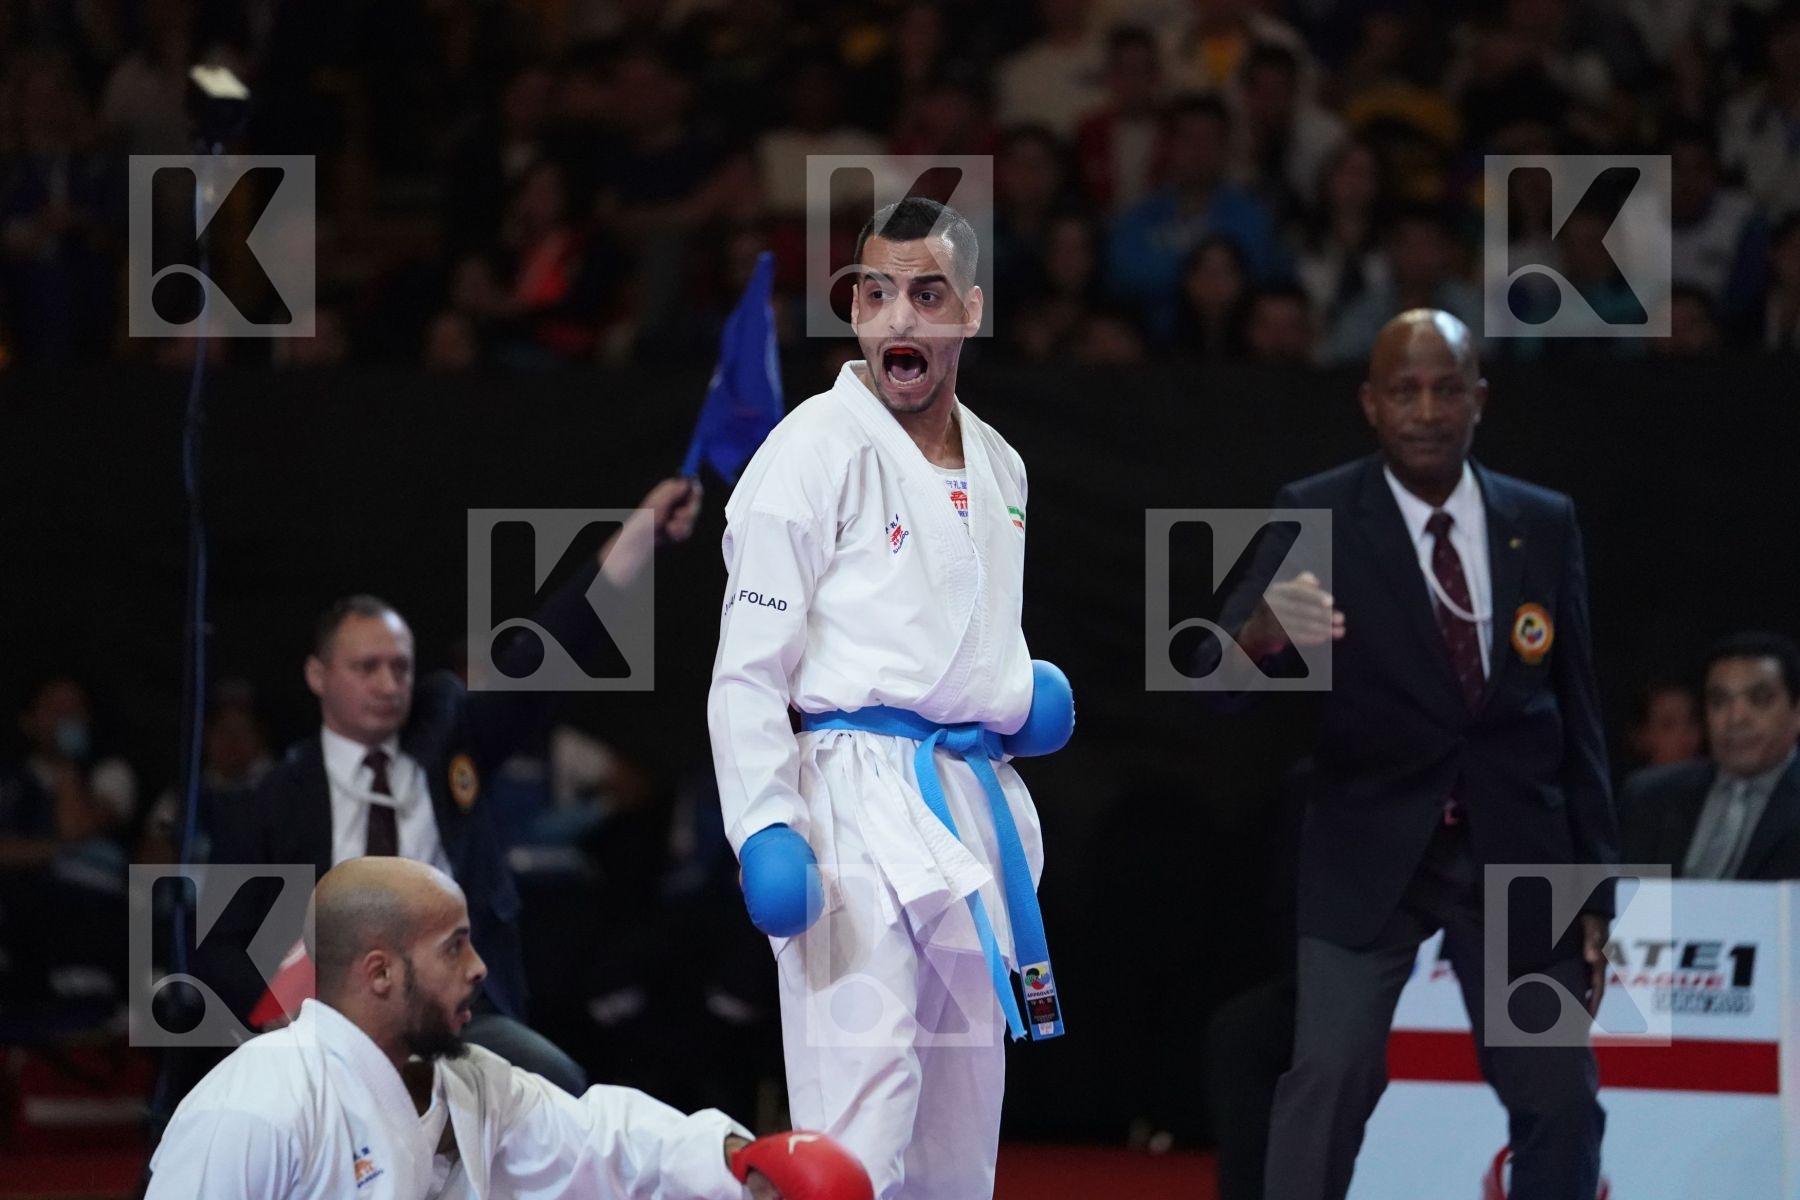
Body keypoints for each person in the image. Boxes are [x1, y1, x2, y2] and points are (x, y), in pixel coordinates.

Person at [1205, 309, 1616, 1200]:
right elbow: (1207, 677)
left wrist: (1598, 883)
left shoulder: (1542, 522)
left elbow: (1579, 711)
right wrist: (1264, 636)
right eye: (1404, 391)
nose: (1425, 410)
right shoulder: (1312, 510)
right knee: (1330, 1083)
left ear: (1480, 399)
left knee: (1561, 1097)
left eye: (1445, 389)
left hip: (1518, 855)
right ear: (1370, 404)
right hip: (1370, 848)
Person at [707, 197, 1071, 1199]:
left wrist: (1013, 689)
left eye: (927, 294)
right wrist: (766, 824)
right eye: (877, 294)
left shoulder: (1003, 463)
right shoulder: (810, 447)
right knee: (860, 1107)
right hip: (847, 811)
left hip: (962, 805)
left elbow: (972, 617)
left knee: (961, 1113)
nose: (899, 320)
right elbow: (748, 668)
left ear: (971, 310)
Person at [193, 478, 703, 1097]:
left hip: (461, 1013)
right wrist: (275, 1011)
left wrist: (639, 537)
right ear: (317, 675)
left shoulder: (449, 737)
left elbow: (545, 656)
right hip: (326, 1020)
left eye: (400, 666)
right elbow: (220, 948)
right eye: (366, 667)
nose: (388, 683)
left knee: (557, 1087)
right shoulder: (271, 800)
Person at [146, 857, 871, 1199]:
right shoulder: (253, 1107)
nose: (480, 968)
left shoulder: (472, 1084)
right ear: (379, 973)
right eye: (453, 946)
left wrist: (747, 1162)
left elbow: (607, 1139)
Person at [1622, 631, 1800, 880]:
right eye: (1719, 701)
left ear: (1796, 710)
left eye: (1759, 699)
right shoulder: (1651, 795)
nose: (1736, 718)